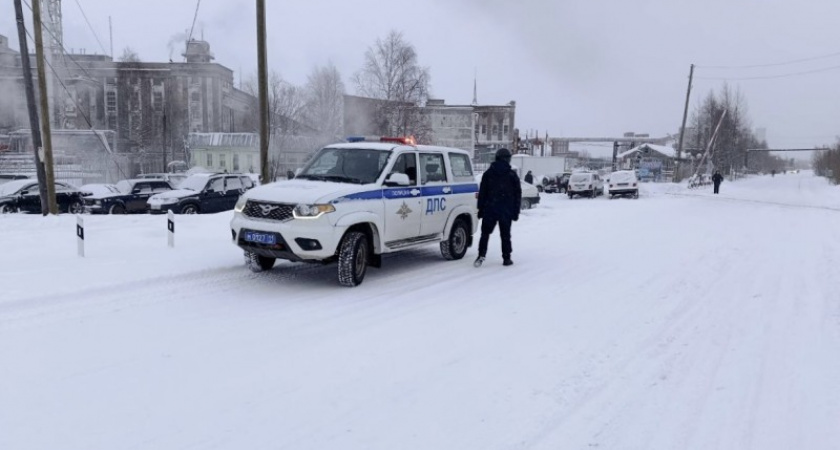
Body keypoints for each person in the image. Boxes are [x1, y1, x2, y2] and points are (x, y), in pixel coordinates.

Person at [475, 148, 522, 267]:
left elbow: (482, 194)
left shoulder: (488, 174)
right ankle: (506, 258)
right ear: (507, 159)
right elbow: (518, 195)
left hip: (490, 209)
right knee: (505, 235)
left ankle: (481, 256)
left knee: (485, 234)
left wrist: (480, 209)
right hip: (506, 210)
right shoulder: (512, 175)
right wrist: (515, 212)